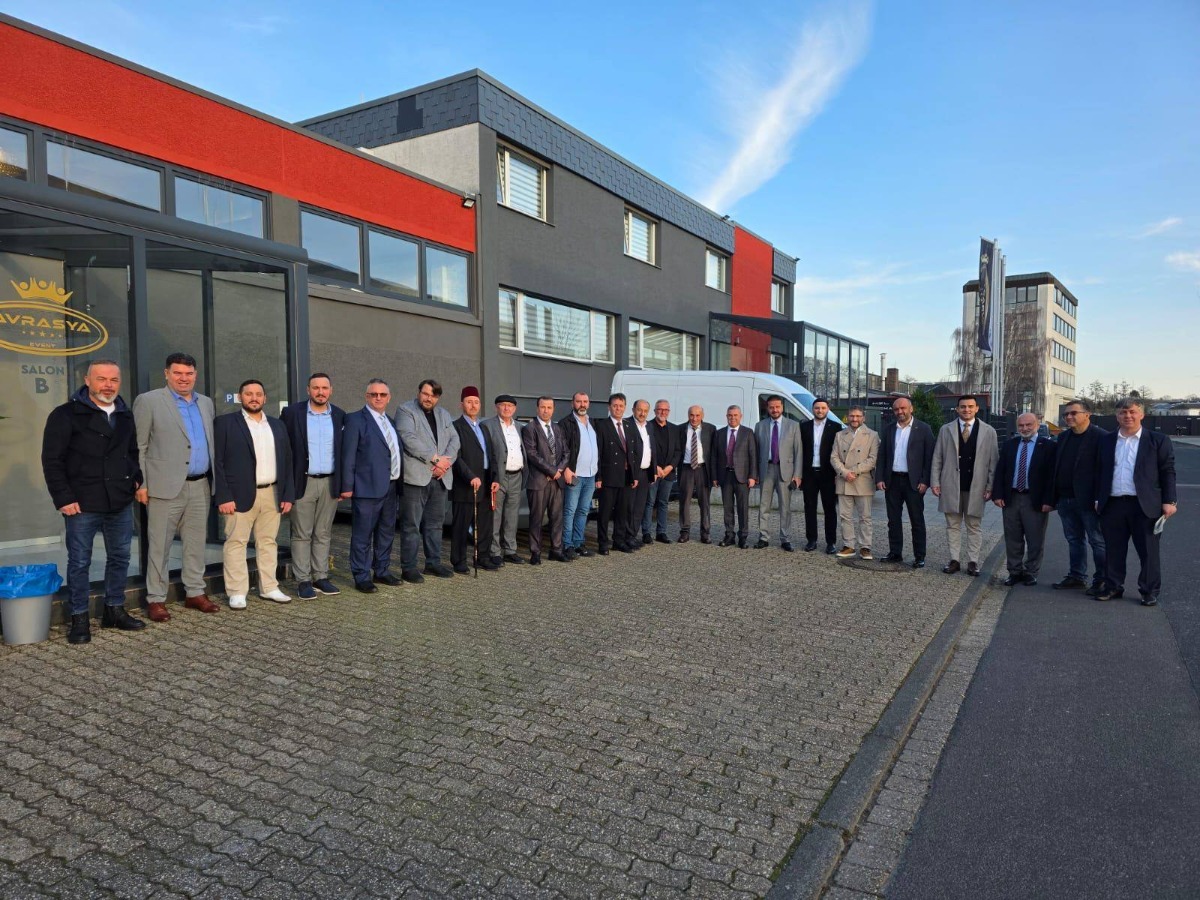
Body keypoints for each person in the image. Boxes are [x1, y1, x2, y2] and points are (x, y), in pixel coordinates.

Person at [41, 359, 146, 644]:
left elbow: (132, 452)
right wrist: (63, 497)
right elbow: (52, 460)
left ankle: (114, 610)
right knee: (79, 562)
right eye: (101, 379)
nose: (108, 385)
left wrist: (135, 478)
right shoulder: (65, 414)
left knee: (120, 557)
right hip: (82, 503)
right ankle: (79, 618)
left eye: (114, 379)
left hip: (119, 500)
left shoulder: (124, 414)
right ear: (87, 380)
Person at [133, 352, 218, 620]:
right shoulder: (149, 401)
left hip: (200, 485)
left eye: (189, 373)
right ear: (166, 373)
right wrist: (142, 483)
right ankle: (156, 598)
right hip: (163, 487)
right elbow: (139, 446)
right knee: (160, 545)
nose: (184, 378)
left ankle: (195, 592)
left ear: (195, 375)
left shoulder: (206, 403)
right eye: (178, 373)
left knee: (196, 544)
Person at [213, 379, 295, 608]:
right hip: (237, 495)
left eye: (258, 394)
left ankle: (269, 587)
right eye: (248, 394)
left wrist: (287, 494)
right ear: (240, 397)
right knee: (236, 542)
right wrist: (223, 496)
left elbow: (287, 461)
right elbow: (217, 462)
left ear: (265, 398)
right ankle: (237, 591)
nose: (254, 398)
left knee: (268, 542)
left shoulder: (277, 425)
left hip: (272, 493)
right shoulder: (225, 423)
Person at [1094, 397, 1177, 605]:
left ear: (1142, 414)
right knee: (1114, 550)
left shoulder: (1158, 440)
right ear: (1117, 415)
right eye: (1123, 412)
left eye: (1132, 411)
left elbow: (1167, 471)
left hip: (1145, 506)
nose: (1127, 416)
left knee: (1148, 552)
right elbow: (1099, 471)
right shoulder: (1106, 440)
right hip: (1112, 504)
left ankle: (1149, 591)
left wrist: (1170, 501)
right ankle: (1113, 586)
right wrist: (1097, 498)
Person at [280, 373, 345, 600]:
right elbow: (284, 450)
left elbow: (343, 452)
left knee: (323, 532)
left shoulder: (339, 415)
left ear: (331, 390)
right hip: (303, 482)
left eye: (324, 388)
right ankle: (303, 580)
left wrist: (343, 484)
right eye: (316, 388)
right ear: (308, 390)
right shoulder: (292, 413)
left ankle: (320, 577)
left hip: (330, 482)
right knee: (302, 533)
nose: (320, 392)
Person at [339, 379, 403, 593]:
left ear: (389, 398)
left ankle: (382, 571)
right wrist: (347, 486)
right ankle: (361, 575)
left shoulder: (390, 421)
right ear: (367, 396)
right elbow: (348, 455)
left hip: (390, 487)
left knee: (386, 533)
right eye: (374, 394)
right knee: (362, 535)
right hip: (366, 488)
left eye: (382, 394)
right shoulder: (355, 420)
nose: (378, 398)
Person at [395, 379, 459, 583]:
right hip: (415, 478)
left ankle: (433, 563)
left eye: (433, 395)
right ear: (419, 392)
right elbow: (409, 439)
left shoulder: (444, 414)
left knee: (435, 525)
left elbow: (455, 440)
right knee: (411, 526)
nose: (428, 398)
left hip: (440, 477)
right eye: (425, 393)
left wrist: (445, 464)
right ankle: (409, 567)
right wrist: (435, 459)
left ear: (438, 397)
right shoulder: (405, 410)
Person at [931, 395, 999, 576]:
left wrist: (990, 487)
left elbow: (993, 461)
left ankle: (973, 562)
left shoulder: (989, 431)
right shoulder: (946, 430)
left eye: (970, 406)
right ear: (957, 409)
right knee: (952, 525)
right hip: (950, 485)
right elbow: (937, 457)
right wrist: (935, 482)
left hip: (977, 486)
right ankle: (954, 560)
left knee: (974, 526)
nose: (966, 410)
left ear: (976, 408)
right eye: (963, 407)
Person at [1050, 398, 1108, 595]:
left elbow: (1106, 471)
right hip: (1065, 499)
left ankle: (1102, 580)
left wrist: (1100, 498)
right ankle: (1077, 576)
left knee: (1097, 541)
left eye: (1073, 413)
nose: (1068, 417)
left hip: (1089, 500)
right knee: (1074, 540)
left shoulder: (1101, 437)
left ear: (1087, 414)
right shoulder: (1063, 437)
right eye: (1066, 414)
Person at [992, 413, 1055, 586]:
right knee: (1012, 537)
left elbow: (1051, 476)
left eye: (1029, 425)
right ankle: (1014, 571)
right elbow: (1001, 471)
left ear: (1037, 425)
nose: (1025, 428)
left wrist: (1049, 500)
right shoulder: (1010, 445)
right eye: (1021, 425)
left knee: (1035, 539)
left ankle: (1031, 571)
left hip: (1034, 500)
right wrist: (997, 494)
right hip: (1011, 498)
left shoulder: (1048, 446)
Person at [874, 397, 935, 568]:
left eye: (903, 408)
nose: (900, 412)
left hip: (913, 483)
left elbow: (929, 457)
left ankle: (919, 556)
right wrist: (879, 478)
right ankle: (895, 553)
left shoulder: (924, 429)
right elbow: (882, 455)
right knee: (893, 520)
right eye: (896, 409)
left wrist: (925, 481)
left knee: (917, 520)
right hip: (892, 481)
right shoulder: (888, 429)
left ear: (911, 409)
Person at [450, 386, 498, 574]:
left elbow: (491, 455)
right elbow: (456, 457)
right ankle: (459, 560)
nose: (473, 405)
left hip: (485, 483)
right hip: (465, 484)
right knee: (461, 525)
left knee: (484, 524)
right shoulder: (456, 427)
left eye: (476, 402)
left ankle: (483, 557)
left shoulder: (483, 427)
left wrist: (495, 478)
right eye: (469, 402)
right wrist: (470, 476)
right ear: (461, 404)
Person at [522, 396, 569, 564]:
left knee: (557, 517)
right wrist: (551, 470)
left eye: (549, 407)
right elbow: (532, 454)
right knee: (537, 518)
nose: (546, 410)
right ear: (537, 408)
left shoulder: (557, 428)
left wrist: (559, 471)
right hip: (538, 481)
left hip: (557, 481)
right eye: (543, 407)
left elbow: (566, 453)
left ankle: (556, 550)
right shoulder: (529, 428)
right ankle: (535, 552)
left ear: (553, 409)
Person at [594, 393, 641, 554]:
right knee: (605, 512)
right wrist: (599, 476)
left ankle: (618, 541)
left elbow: (634, 452)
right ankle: (602, 543)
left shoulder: (629, 425)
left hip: (626, 476)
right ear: (609, 407)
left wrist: (634, 475)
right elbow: (598, 453)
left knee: (622, 511)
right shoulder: (602, 426)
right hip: (608, 476)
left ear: (625, 407)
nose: (618, 409)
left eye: (621, 406)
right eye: (615, 406)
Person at [482, 394, 526, 566]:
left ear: (515, 409)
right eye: (503, 405)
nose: (506, 408)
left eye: (510, 405)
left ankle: (510, 550)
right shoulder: (487, 425)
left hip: (516, 476)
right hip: (498, 477)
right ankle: (494, 552)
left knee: (511, 515)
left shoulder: (520, 427)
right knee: (495, 514)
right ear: (496, 407)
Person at [754, 395, 802, 551]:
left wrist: (797, 474)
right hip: (766, 469)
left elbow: (798, 452)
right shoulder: (760, 426)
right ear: (767, 408)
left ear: (782, 407)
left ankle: (785, 538)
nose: (774, 410)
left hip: (786, 471)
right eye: (771, 407)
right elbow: (755, 451)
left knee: (785, 507)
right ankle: (763, 537)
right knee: (764, 506)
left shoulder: (793, 425)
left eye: (777, 407)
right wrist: (754, 473)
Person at [831, 407, 879, 559]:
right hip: (844, 480)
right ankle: (849, 546)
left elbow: (873, 459)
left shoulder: (872, 435)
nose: (855, 419)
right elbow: (834, 457)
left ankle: (865, 547)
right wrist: (844, 473)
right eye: (852, 416)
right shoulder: (839, 435)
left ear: (864, 418)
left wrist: (854, 471)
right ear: (847, 417)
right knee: (845, 516)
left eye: (858, 416)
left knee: (865, 517)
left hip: (862, 480)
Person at [799, 398, 842, 553]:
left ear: (828, 409)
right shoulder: (804, 426)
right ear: (813, 409)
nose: (820, 411)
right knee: (809, 508)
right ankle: (811, 540)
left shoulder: (836, 427)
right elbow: (800, 450)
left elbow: (838, 452)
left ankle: (831, 542)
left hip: (828, 474)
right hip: (809, 473)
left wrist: (837, 474)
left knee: (829, 509)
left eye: (823, 408)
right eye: (817, 408)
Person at [712, 405, 758, 548]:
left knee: (743, 508)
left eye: (735, 415)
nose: (732, 418)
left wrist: (752, 476)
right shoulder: (719, 433)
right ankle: (729, 535)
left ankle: (743, 537)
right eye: (730, 415)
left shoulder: (748, 432)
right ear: (726, 416)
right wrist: (714, 476)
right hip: (725, 475)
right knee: (728, 508)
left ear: (740, 416)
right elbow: (714, 456)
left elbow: (753, 455)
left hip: (742, 477)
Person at [559, 392, 598, 559]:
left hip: (591, 475)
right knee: (570, 511)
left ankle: (578, 543)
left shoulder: (593, 422)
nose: (582, 404)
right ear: (572, 403)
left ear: (588, 404)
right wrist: (567, 468)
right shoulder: (565, 423)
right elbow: (562, 449)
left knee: (583, 511)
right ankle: (567, 545)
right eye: (579, 401)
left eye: (585, 401)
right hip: (575, 474)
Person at [642, 399, 680, 545]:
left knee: (664, 503)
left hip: (668, 473)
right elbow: (646, 449)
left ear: (669, 411)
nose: (663, 412)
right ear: (655, 411)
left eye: (665, 410)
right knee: (649, 502)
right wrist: (655, 466)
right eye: (660, 409)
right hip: (652, 472)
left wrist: (670, 467)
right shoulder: (648, 426)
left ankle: (661, 532)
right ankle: (646, 533)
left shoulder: (674, 429)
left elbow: (678, 451)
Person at [677, 405, 716, 544]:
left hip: (703, 469)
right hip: (686, 469)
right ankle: (684, 532)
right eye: (691, 415)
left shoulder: (711, 429)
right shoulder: (680, 429)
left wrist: (714, 475)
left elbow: (714, 453)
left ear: (702, 416)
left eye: (697, 415)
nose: (694, 418)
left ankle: (705, 533)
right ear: (688, 415)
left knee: (704, 503)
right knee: (684, 502)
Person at [626, 399, 657, 547]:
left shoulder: (649, 426)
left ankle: (632, 535)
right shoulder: (627, 424)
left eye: (645, 411)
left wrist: (653, 470)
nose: (642, 413)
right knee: (629, 507)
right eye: (639, 410)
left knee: (639, 507)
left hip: (645, 473)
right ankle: (625, 536)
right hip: (632, 472)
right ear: (633, 410)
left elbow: (652, 449)